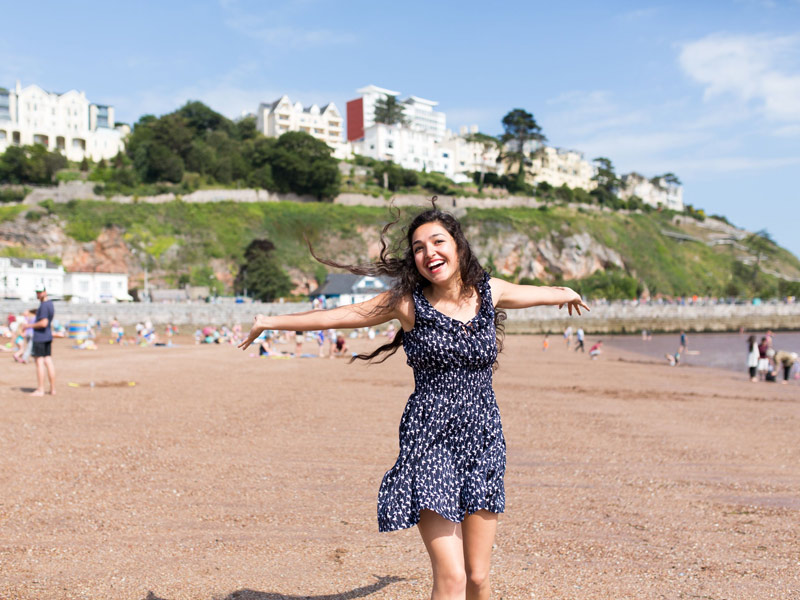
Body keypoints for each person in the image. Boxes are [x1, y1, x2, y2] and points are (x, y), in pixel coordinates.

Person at [238, 204, 589, 599]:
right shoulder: (407, 304)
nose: (429, 253)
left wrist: (565, 292)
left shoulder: (490, 292)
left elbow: (535, 294)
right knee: (453, 577)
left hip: (483, 440)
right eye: (419, 247)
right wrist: (269, 321)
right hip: (429, 440)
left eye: (438, 241)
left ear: (458, 247)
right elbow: (340, 314)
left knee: (477, 576)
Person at [23, 284, 56, 396]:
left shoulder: (43, 306)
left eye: (40, 292)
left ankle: (40, 389)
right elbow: (42, 313)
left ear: (45, 292)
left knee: (39, 362)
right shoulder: (49, 304)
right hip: (47, 336)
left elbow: (44, 323)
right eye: (37, 292)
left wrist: (28, 326)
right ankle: (52, 389)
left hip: (40, 337)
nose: (38, 294)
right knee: (48, 361)